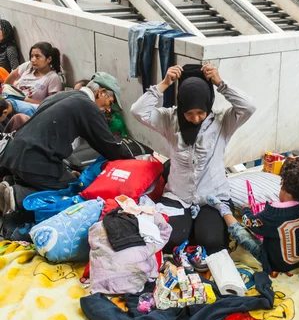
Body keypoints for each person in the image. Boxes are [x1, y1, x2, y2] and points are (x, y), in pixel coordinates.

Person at [131, 64, 256, 255]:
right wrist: (164, 84)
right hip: (177, 197)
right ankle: (189, 229)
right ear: (181, 108)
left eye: (200, 112)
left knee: (211, 242)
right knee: (170, 240)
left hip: (212, 197)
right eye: (189, 114)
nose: (195, 118)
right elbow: (138, 111)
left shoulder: (223, 122)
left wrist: (221, 84)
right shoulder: (169, 120)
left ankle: (197, 229)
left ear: (207, 105)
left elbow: (249, 107)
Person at [0, 73, 134, 195]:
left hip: (13, 154)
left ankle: (11, 182)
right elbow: (109, 147)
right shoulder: (89, 107)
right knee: (73, 189)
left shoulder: (61, 96)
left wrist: (65, 170)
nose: (109, 109)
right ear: (101, 92)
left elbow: (49, 136)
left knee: (67, 176)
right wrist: (134, 161)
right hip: (33, 160)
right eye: (110, 103)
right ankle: (17, 195)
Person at [222, 164, 299, 272]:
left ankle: (223, 210)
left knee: (242, 234)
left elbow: (250, 223)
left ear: (283, 187)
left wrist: (245, 210)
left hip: (278, 265)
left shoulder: (273, 213)